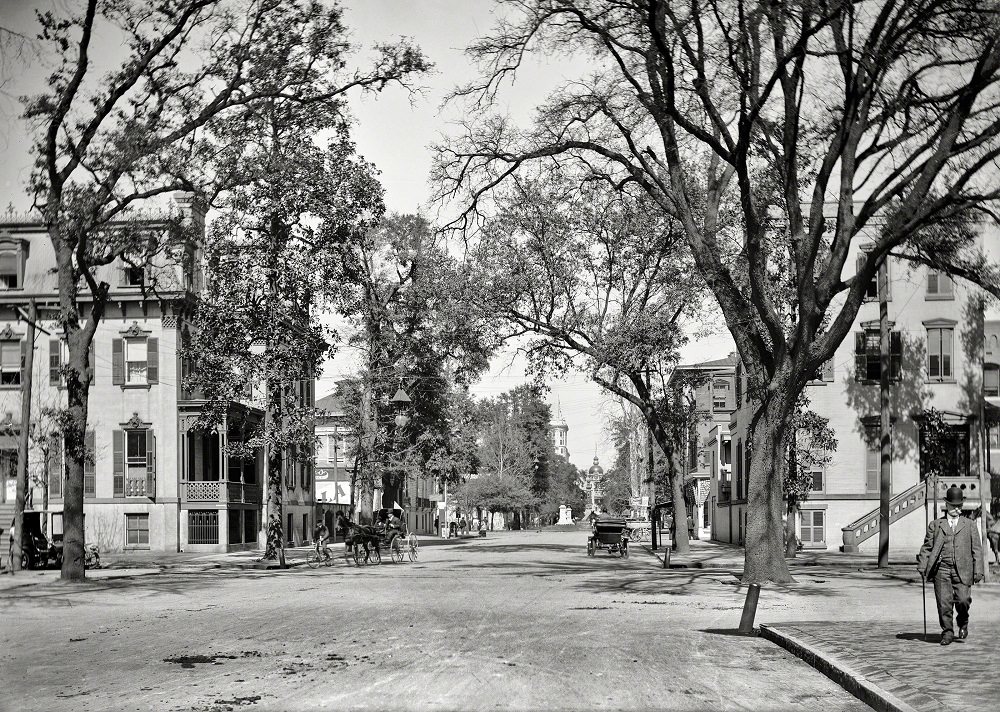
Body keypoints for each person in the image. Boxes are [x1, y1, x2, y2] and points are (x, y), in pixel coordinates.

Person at [916, 485, 984, 645]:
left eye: (959, 506)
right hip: (942, 569)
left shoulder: (969, 525)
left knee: (963, 600)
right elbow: (927, 547)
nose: (957, 509)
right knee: (944, 603)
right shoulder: (936, 525)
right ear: (946, 505)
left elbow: (977, 550)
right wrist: (922, 565)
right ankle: (947, 633)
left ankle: (963, 621)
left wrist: (978, 569)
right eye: (954, 506)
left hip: (963, 569)